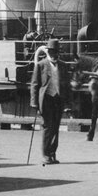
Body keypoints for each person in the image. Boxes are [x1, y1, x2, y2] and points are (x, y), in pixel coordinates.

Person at [29, 36, 68, 165]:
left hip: (58, 100)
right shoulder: (41, 65)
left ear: (58, 52)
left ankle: (52, 153)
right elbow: (35, 84)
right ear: (48, 52)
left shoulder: (63, 66)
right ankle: (46, 154)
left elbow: (67, 85)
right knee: (47, 127)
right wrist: (34, 102)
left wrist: (68, 102)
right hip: (46, 100)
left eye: (55, 52)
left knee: (55, 127)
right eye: (51, 51)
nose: (53, 54)